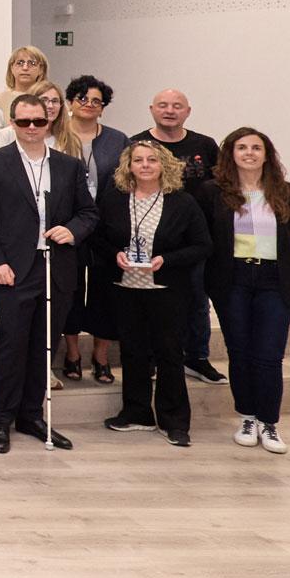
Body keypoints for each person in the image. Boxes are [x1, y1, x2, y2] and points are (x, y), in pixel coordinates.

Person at [0, 94, 98, 454]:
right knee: (12, 344)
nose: (30, 128)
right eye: (23, 122)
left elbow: (88, 213)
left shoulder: (68, 166)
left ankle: (31, 415)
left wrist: (71, 230)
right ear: (12, 123)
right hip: (12, 269)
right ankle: (1, 419)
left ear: (49, 123)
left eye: (37, 122)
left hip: (55, 267)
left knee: (45, 345)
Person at [202, 127, 290, 455]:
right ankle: (247, 417)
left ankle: (269, 423)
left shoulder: (289, 193)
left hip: (275, 282)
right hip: (232, 281)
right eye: (242, 147)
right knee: (240, 351)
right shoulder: (211, 192)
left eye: (256, 148)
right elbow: (205, 238)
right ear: (231, 154)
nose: (249, 153)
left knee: (269, 355)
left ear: (267, 154)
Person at [95, 141, 210, 447]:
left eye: (152, 160)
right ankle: (137, 413)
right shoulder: (114, 199)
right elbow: (99, 239)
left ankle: (174, 421)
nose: (145, 165)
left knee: (170, 353)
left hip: (167, 290)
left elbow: (202, 245)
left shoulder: (182, 202)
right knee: (133, 351)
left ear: (164, 165)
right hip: (125, 287)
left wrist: (166, 261)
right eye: (138, 160)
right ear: (128, 166)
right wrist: (115, 255)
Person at [131, 88, 226, 385]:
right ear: (151, 109)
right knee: (149, 302)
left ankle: (196, 356)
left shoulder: (205, 145)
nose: (169, 110)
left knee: (197, 299)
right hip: (149, 238)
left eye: (176, 106)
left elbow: (221, 186)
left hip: (195, 240)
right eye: (163, 105)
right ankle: (149, 358)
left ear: (188, 111)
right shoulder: (137, 143)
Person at [62, 74, 128, 385]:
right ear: (71, 103)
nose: (89, 105)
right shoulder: (57, 134)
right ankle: (72, 352)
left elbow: (125, 181)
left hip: (107, 226)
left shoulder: (117, 139)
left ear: (103, 108)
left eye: (96, 101)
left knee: (106, 291)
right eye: (82, 99)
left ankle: (100, 356)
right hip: (69, 225)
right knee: (71, 289)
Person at [0, 45, 50, 113]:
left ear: (41, 69)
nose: (25, 68)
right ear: (11, 68)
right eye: (20, 63)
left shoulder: (50, 100)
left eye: (32, 63)